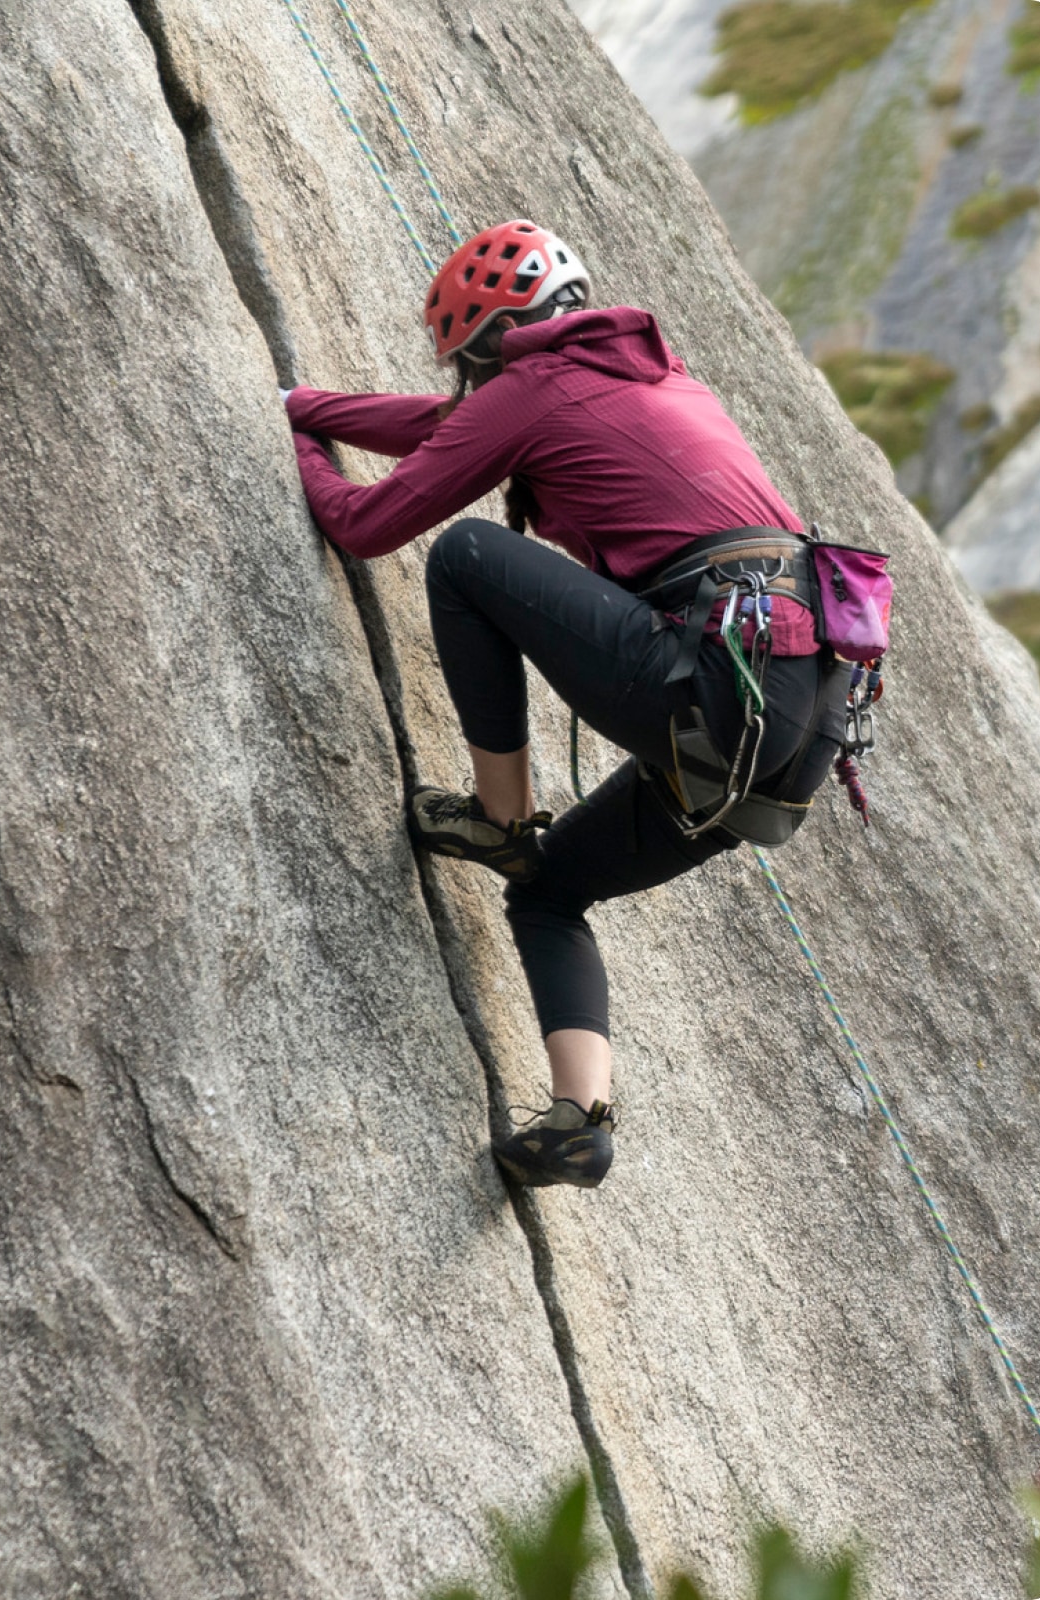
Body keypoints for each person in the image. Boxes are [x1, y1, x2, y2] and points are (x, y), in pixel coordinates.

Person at [284, 220, 849, 1191]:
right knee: (549, 892)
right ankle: (578, 1119)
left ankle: (500, 815)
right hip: (798, 732)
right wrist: (310, 404)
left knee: (463, 555)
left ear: (492, 341)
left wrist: (288, 439)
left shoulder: (535, 389)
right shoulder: (658, 381)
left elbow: (368, 524)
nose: (470, 388)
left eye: (471, 368)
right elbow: (450, 432)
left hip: (719, 682)